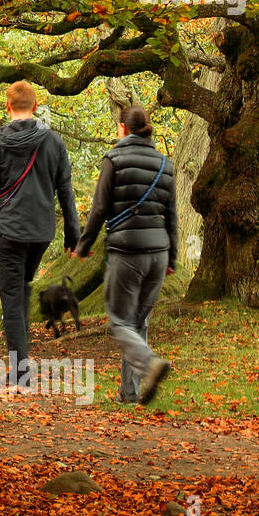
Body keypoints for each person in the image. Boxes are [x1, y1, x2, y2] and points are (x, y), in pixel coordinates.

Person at [0, 82, 79, 390]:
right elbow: (66, 191)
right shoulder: (54, 142)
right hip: (41, 232)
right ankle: (22, 361)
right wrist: (73, 236)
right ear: (35, 107)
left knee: (12, 297)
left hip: (10, 231)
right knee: (21, 288)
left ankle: (21, 372)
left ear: (7, 107)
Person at [73, 104, 176, 405]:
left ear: (122, 128)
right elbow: (172, 216)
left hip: (127, 251)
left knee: (119, 323)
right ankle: (129, 393)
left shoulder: (114, 159)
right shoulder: (163, 164)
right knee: (138, 322)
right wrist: (172, 259)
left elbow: (100, 209)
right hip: (158, 253)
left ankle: (150, 364)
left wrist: (83, 245)